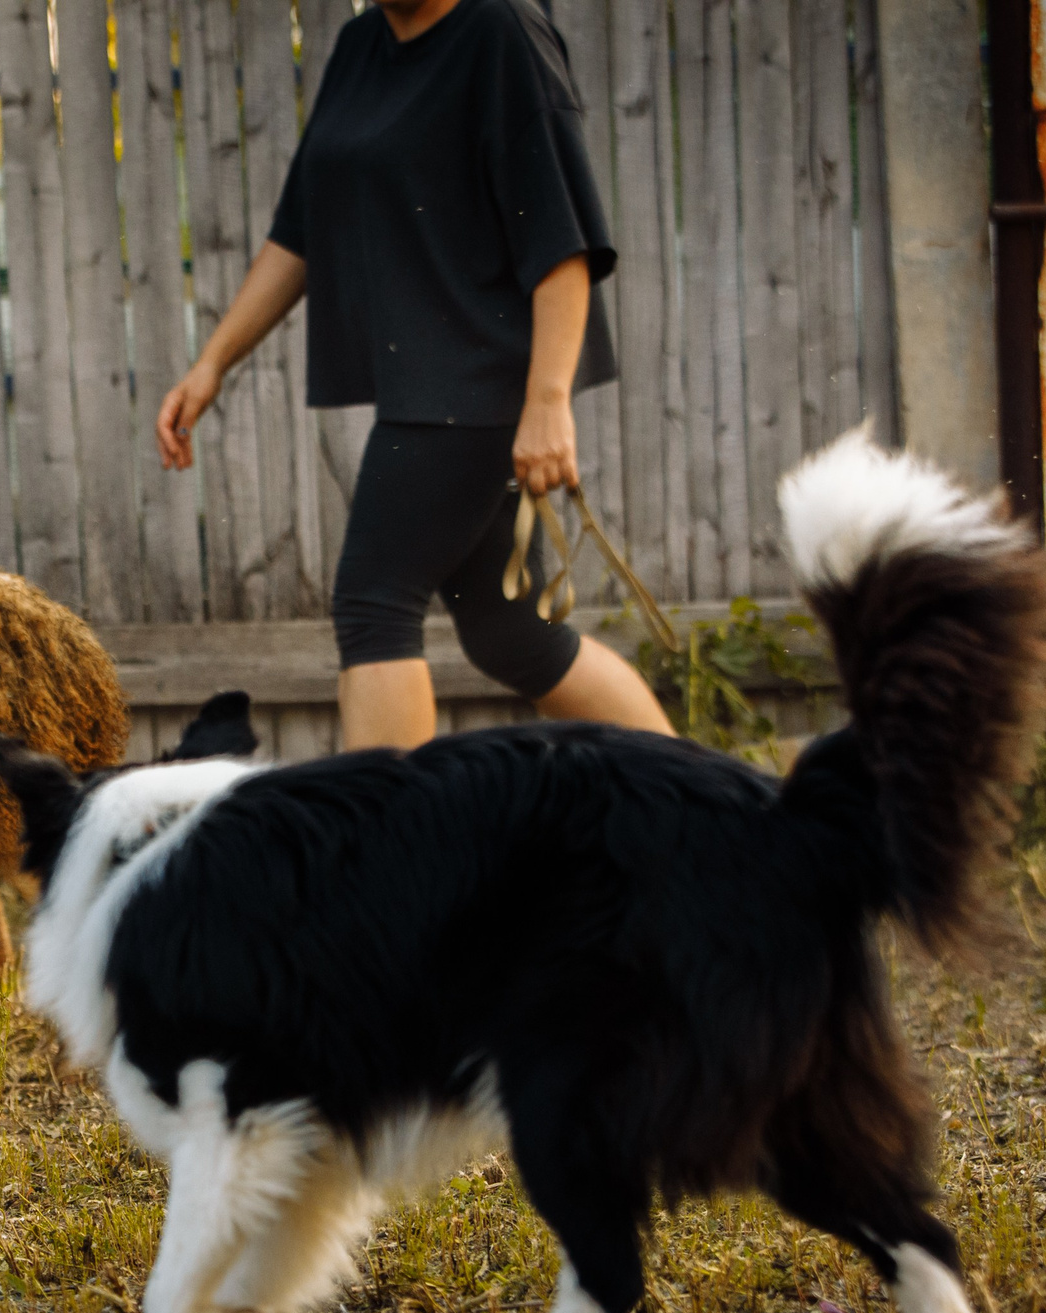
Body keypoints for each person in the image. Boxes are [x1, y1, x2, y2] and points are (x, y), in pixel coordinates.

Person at [155, 0, 674, 751]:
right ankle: (710, 807)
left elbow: (564, 242)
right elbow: (300, 227)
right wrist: (212, 363)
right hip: (432, 388)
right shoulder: (361, 46)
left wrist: (549, 402)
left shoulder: (503, 32)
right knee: (514, 638)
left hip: (483, 385)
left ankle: (394, 857)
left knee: (372, 606)